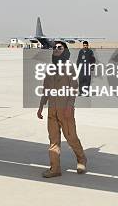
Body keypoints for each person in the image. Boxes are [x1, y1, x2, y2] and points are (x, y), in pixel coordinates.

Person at [37, 41, 87, 178]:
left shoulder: (70, 68)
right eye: (54, 48)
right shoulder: (50, 69)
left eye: (60, 47)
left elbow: (74, 89)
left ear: (65, 51)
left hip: (65, 110)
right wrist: (41, 106)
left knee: (71, 138)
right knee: (53, 140)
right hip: (52, 110)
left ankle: (81, 159)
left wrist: (69, 107)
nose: (56, 49)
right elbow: (46, 89)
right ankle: (55, 168)